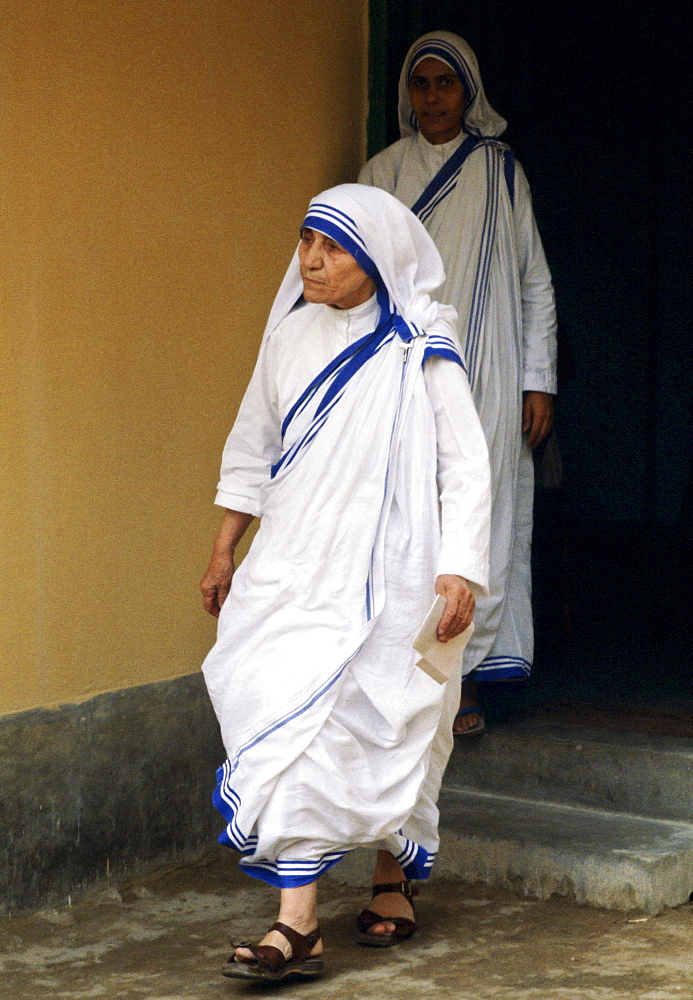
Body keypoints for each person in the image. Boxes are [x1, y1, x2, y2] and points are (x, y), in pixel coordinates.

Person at [199, 183, 491, 980]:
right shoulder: (287, 339)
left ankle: (390, 876)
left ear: (378, 258)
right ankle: (298, 923)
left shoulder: (417, 343)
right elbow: (251, 444)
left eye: (333, 247)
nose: (312, 260)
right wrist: (226, 548)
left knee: (394, 724)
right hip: (294, 568)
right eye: (305, 242)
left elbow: (465, 462)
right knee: (286, 716)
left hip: (398, 571)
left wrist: (459, 565)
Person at [359, 31, 557, 735]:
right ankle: (407, 688)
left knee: (483, 518)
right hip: (408, 380)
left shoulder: (501, 172)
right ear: (407, 96)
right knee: (410, 524)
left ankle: (465, 680)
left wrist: (538, 379)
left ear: (467, 94)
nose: (433, 97)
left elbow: (533, 279)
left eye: (446, 84)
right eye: (422, 84)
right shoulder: (381, 174)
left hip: (492, 375)